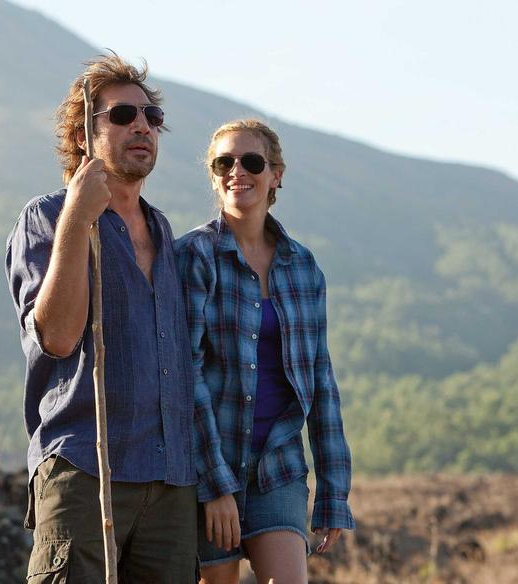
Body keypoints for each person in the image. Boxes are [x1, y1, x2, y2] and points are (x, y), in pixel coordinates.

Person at [5, 54, 198, 582]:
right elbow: (57, 337)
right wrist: (77, 215)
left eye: (151, 117)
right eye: (122, 115)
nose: (142, 126)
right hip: (85, 469)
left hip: (171, 483)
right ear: (82, 134)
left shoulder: (164, 232)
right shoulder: (46, 217)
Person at [175, 119, 355, 584]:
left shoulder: (303, 266)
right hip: (209, 465)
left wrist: (334, 491)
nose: (237, 171)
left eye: (251, 162)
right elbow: (186, 375)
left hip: (279, 468)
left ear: (276, 175)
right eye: (224, 163)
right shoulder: (194, 257)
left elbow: (320, 380)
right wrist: (215, 485)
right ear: (214, 176)